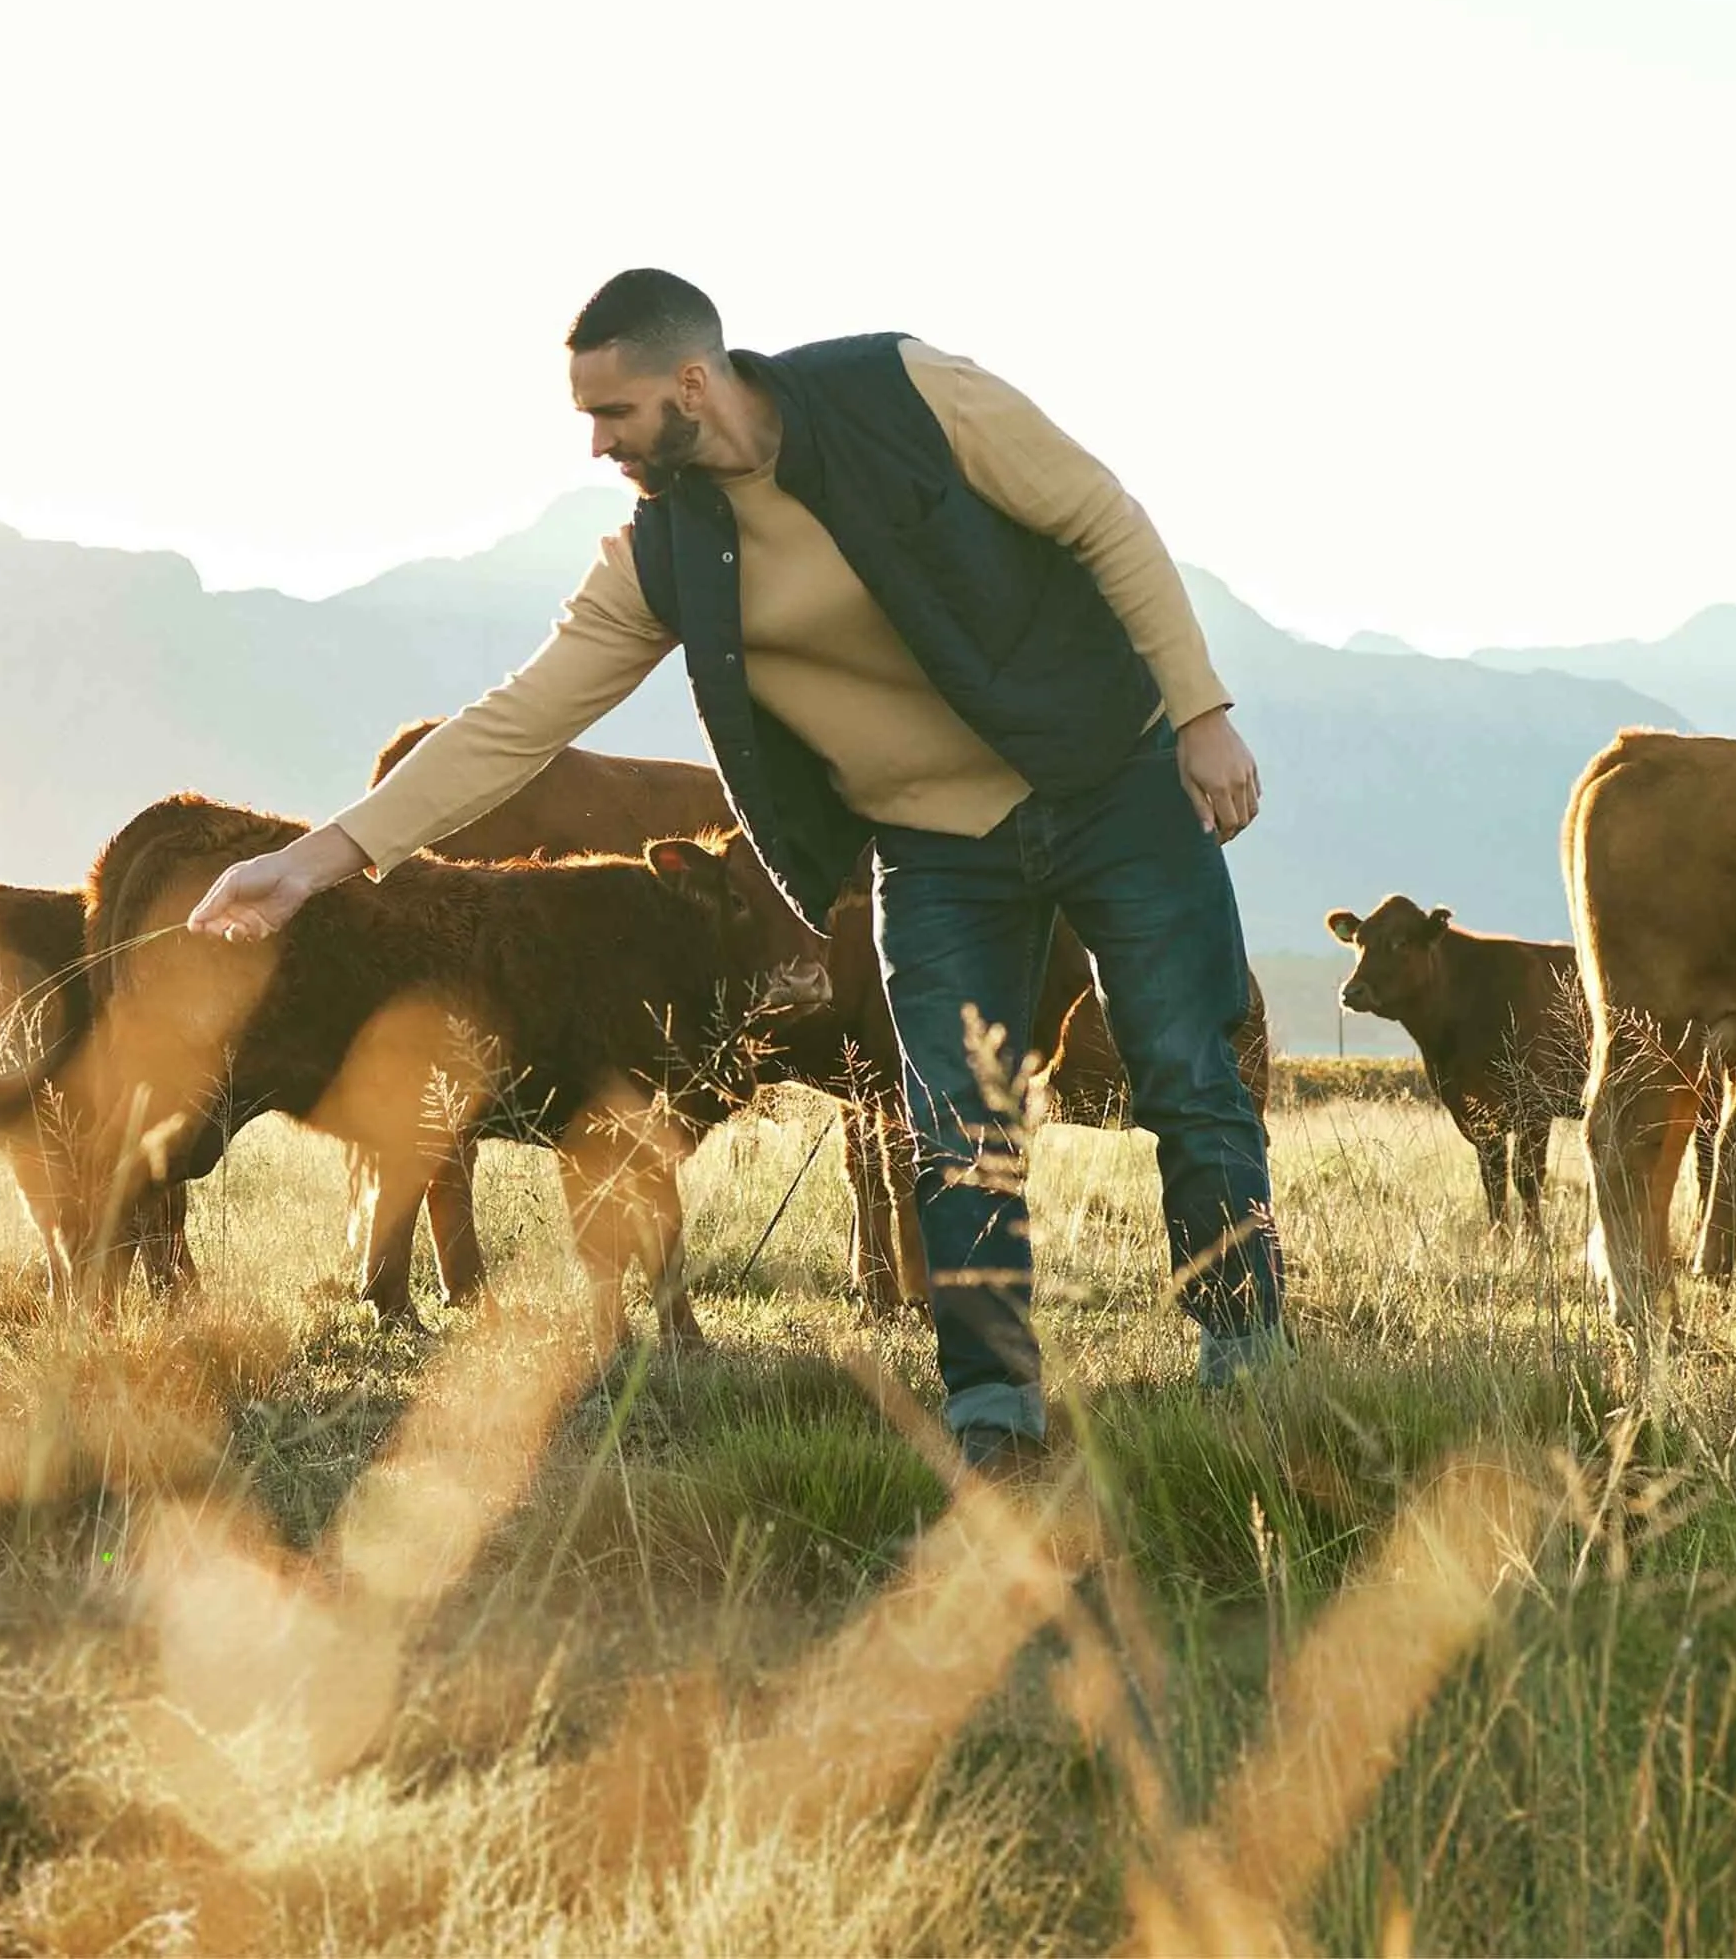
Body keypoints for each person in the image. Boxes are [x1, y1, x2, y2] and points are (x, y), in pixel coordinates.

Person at [183, 269, 1282, 1470]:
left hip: (1109, 779)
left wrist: (1201, 711)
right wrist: (317, 860)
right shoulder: (662, 558)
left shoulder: (907, 389)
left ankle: (1241, 1358)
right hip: (932, 846)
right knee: (955, 1119)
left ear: (693, 384)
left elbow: (1098, 515)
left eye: (615, 414)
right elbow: (516, 723)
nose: (598, 445)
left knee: (1185, 1065)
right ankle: (992, 1409)